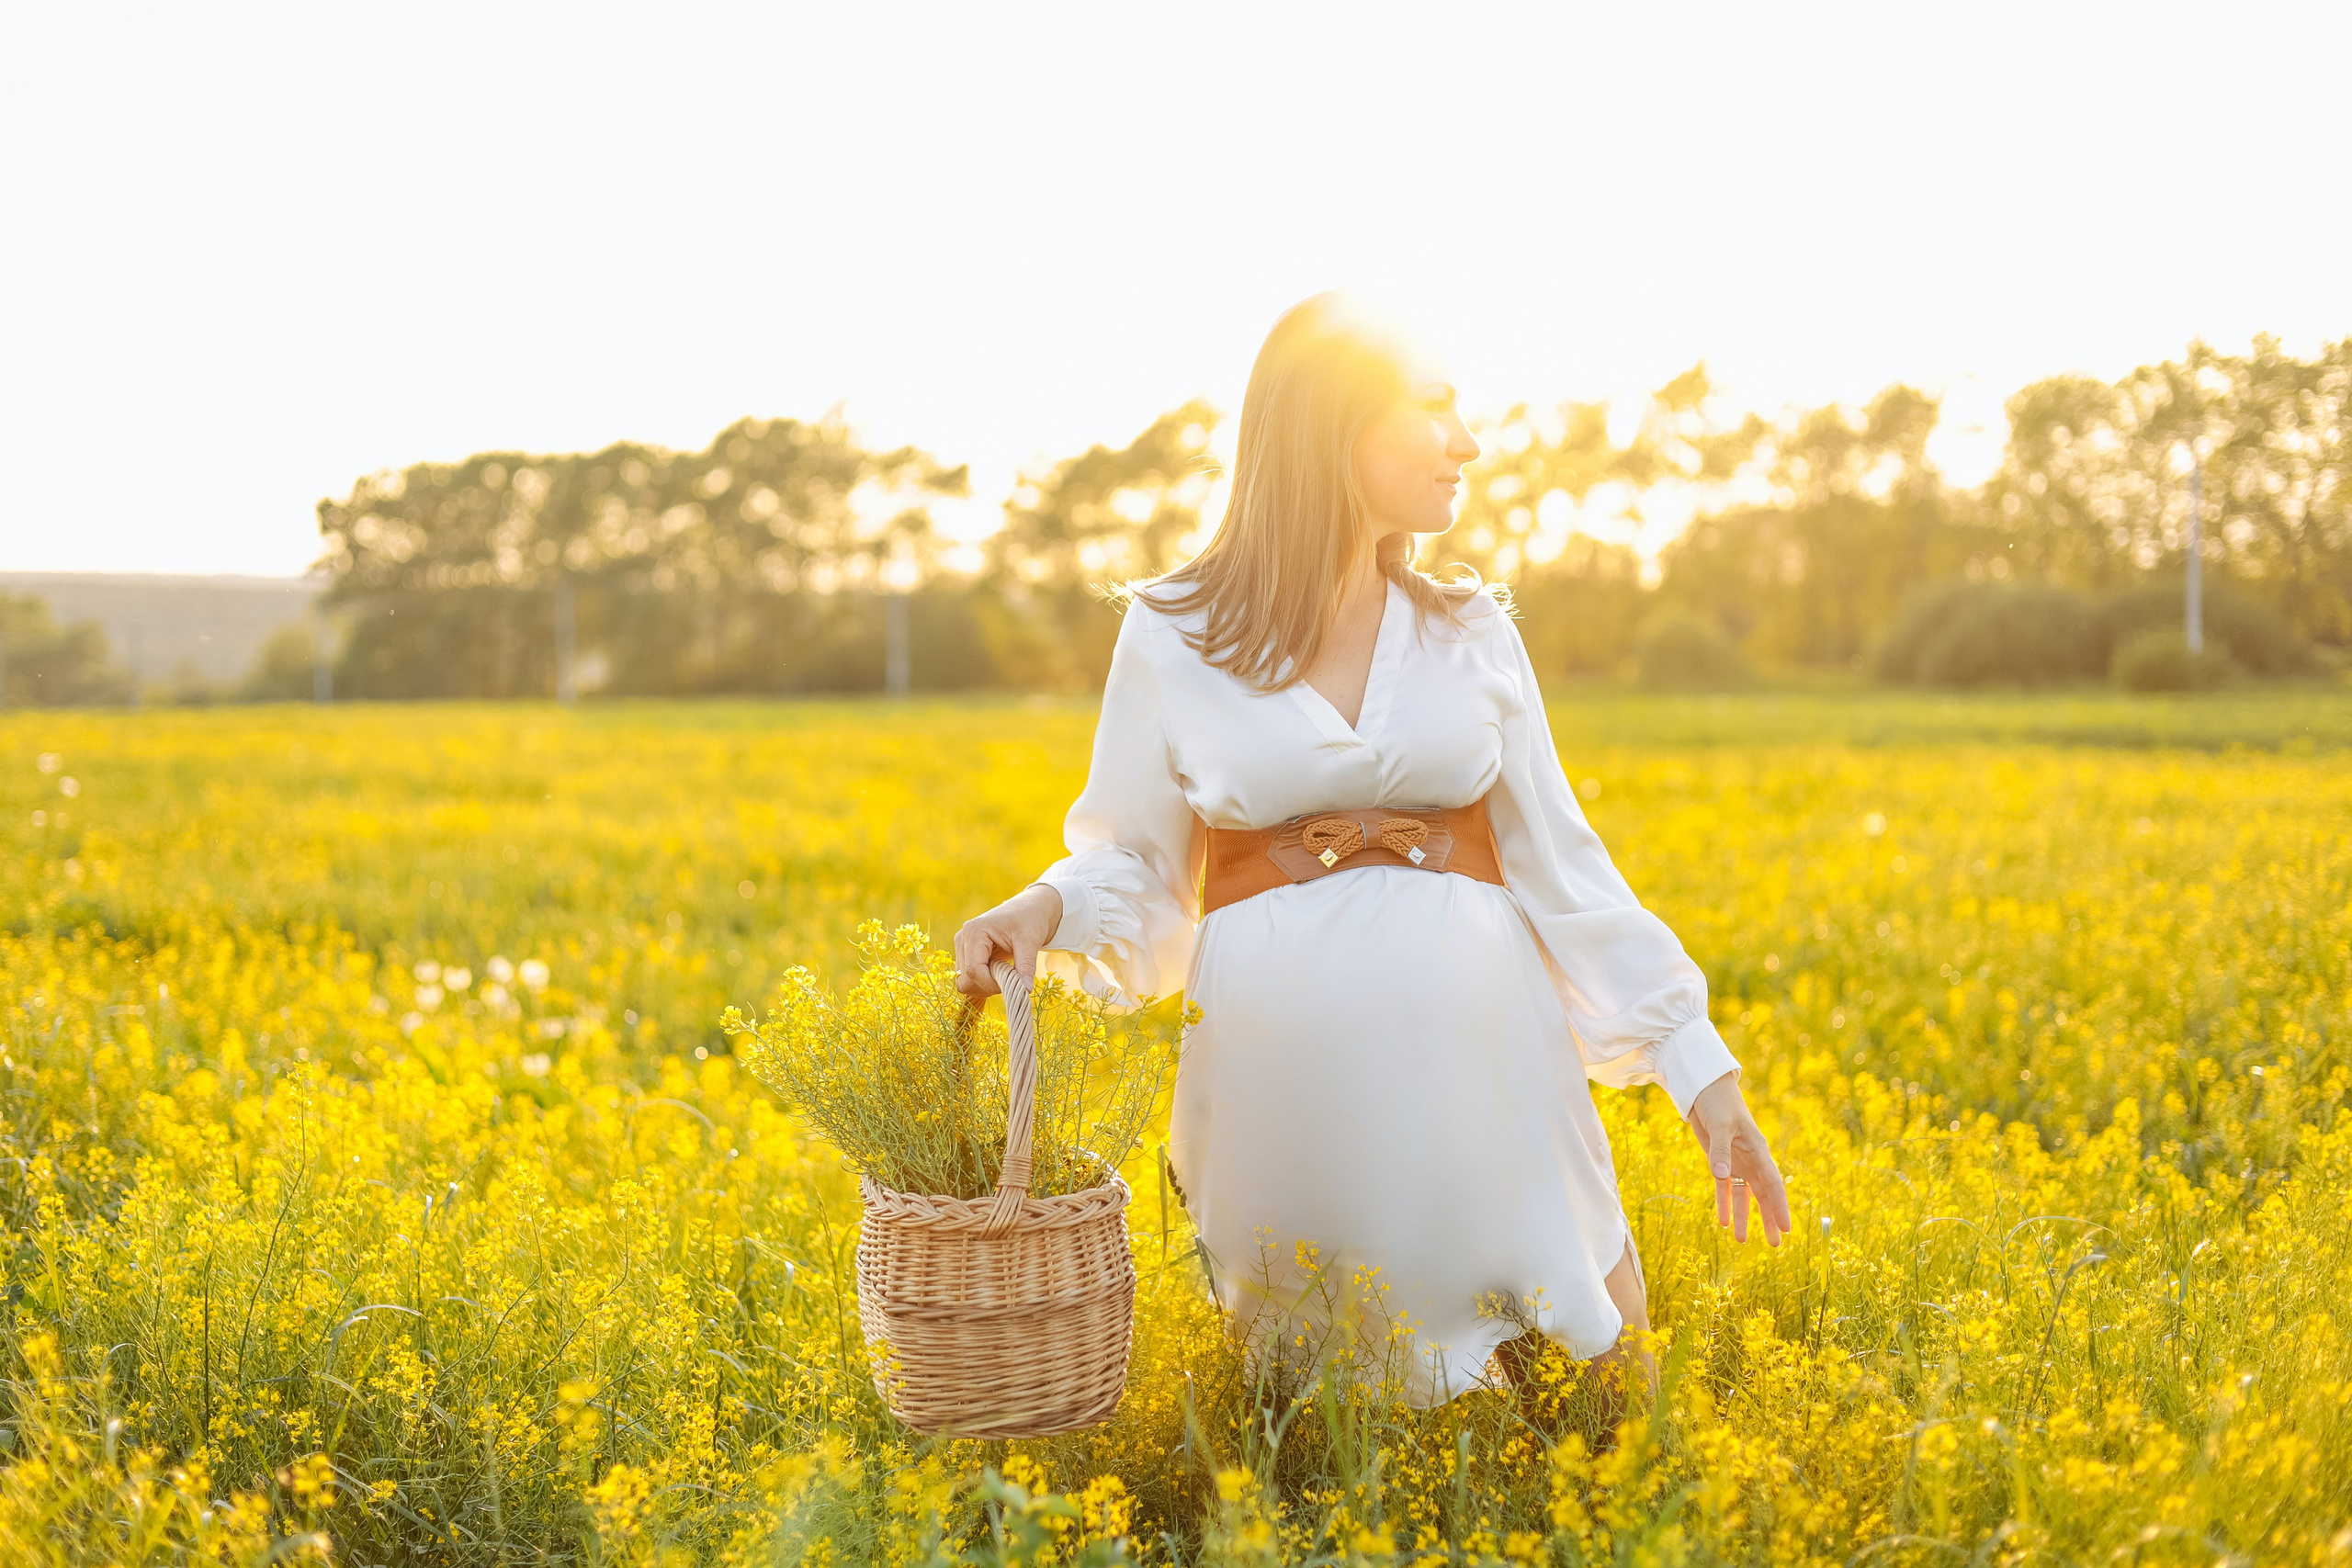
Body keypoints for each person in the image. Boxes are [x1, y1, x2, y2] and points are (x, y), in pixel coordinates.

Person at [955, 292, 1790, 1407]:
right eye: (1435, 406)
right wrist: (1042, 910)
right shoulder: (1172, 632)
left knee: (1601, 1392)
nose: (1468, 442)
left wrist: (1700, 1075)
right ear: (1330, 426)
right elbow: (1139, 869)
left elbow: (1566, 869)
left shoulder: (1470, 629)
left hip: (1496, 1080)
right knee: (1308, 1427)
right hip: (1280, 1101)